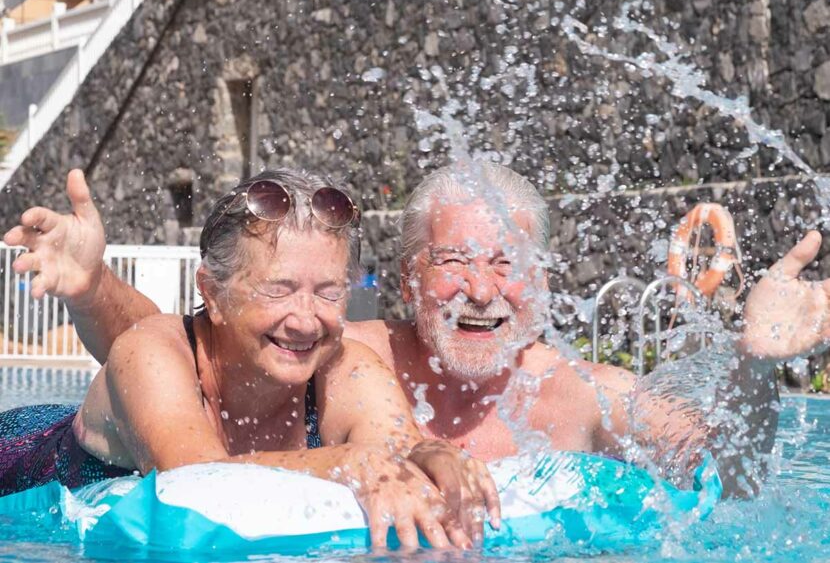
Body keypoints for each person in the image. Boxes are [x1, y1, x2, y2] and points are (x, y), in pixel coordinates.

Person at [5, 163, 827, 496]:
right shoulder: (348, 344)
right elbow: (190, 352)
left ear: (540, 284)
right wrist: (94, 288)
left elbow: (731, 473)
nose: (481, 289)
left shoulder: (578, 395)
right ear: (406, 281)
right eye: (454, 261)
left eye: (507, 264)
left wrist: (757, 367)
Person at [0, 169, 500, 550]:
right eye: (277, 290)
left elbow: (395, 453)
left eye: (327, 293)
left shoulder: (345, 365)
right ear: (212, 294)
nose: (305, 320)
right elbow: (194, 479)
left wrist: (430, 456)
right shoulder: (150, 352)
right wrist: (347, 462)